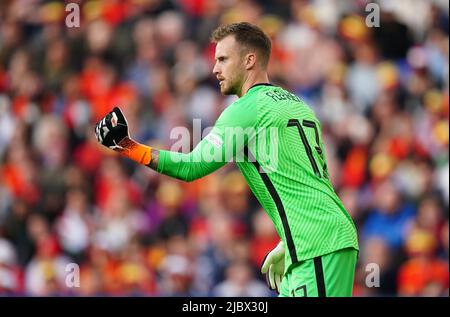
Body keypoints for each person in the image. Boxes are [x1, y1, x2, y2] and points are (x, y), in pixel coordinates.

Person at [95, 22, 359, 297]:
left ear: (249, 60)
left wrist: (126, 146)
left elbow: (191, 167)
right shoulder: (297, 104)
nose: (214, 69)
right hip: (314, 240)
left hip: (316, 244)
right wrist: (287, 242)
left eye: (222, 59)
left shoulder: (246, 109)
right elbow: (310, 182)